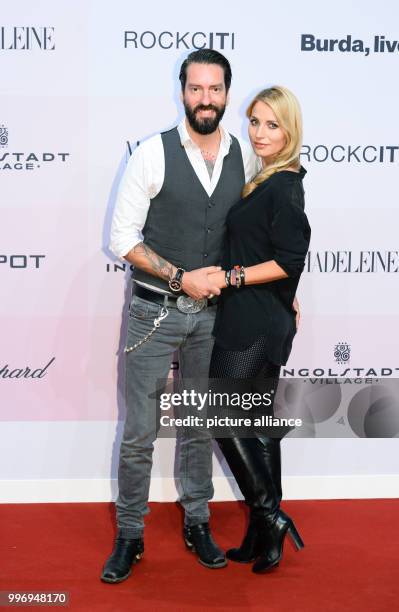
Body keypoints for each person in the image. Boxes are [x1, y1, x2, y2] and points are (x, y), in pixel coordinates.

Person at [101, 49, 259, 583]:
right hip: (153, 313)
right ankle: (129, 534)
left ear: (228, 94)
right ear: (182, 91)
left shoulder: (246, 155)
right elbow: (123, 239)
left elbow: (257, 235)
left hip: (213, 318)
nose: (205, 99)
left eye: (215, 89)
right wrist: (178, 278)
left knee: (197, 428)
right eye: (196, 89)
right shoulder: (153, 153)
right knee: (140, 433)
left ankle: (197, 522)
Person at [206, 86, 311, 573]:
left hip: (250, 319)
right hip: (262, 313)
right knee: (255, 427)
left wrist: (233, 277)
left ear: (290, 131)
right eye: (254, 122)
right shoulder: (271, 179)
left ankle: (270, 516)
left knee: (226, 420)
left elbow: (290, 259)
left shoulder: (285, 185)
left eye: (272, 124)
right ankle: (262, 532)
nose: (260, 132)